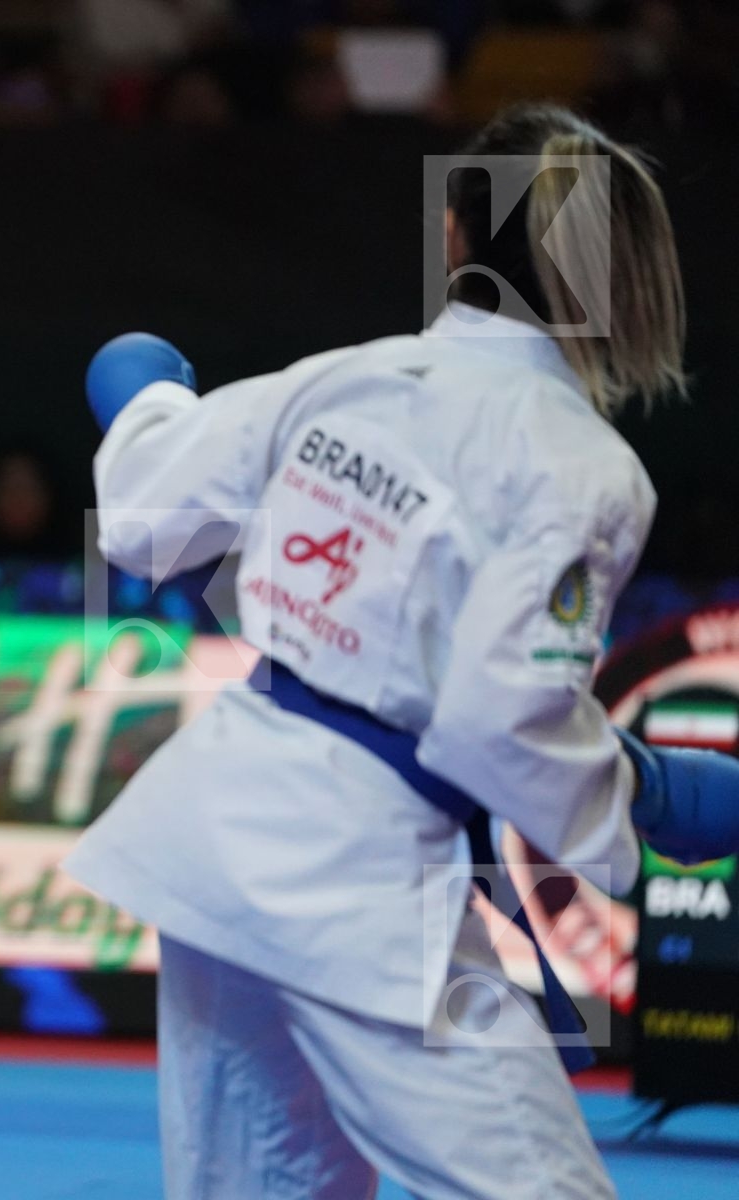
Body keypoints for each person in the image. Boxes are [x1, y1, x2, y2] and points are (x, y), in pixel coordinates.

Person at [65, 104, 739, 1198]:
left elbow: (147, 511)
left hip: (223, 828)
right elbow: (494, 718)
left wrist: (143, 396)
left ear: (453, 237)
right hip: (355, 871)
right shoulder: (584, 465)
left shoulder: (341, 379)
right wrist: (649, 792)